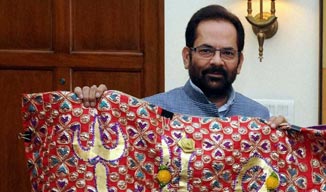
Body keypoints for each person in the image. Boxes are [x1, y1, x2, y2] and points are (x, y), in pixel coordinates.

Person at [75, 4, 286, 127]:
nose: (216, 61)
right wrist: (91, 111)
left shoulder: (258, 117)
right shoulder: (149, 111)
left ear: (239, 62)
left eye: (228, 53)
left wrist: (286, 144)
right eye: (206, 50)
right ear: (187, 57)